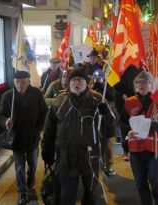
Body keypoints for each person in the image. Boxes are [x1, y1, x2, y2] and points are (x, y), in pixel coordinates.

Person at [42, 68, 118, 205]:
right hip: (66, 157)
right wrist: (47, 149)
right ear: (69, 83)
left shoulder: (97, 99)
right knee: (67, 196)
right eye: (73, 80)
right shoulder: (60, 101)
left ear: (86, 83)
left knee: (90, 196)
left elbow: (112, 122)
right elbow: (49, 128)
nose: (77, 83)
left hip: (90, 157)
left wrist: (107, 113)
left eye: (80, 80)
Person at [121, 71, 158, 205]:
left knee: (155, 181)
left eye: (144, 81)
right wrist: (128, 131)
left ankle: (157, 196)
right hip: (136, 148)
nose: (141, 84)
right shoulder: (129, 102)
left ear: (151, 83)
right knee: (140, 181)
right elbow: (122, 123)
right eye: (138, 82)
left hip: (155, 148)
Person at [0, 71, 48, 205]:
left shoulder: (36, 94)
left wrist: (39, 128)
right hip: (16, 137)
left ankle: (30, 179)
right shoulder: (7, 96)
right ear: (14, 82)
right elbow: (0, 115)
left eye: (24, 82)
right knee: (19, 166)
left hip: (32, 136)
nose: (20, 85)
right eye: (17, 82)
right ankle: (22, 192)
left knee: (33, 163)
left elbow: (44, 112)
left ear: (29, 81)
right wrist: (5, 121)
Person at [91, 69, 116, 176]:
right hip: (96, 122)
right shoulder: (90, 89)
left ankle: (109, 166)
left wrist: (101, 86)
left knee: (108, 146)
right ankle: (99, 165)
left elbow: (111, 97)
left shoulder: (108, 88)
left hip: (108, 122)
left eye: (99, 78)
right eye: (95, 78)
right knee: (98, 145)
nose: (97, 80)